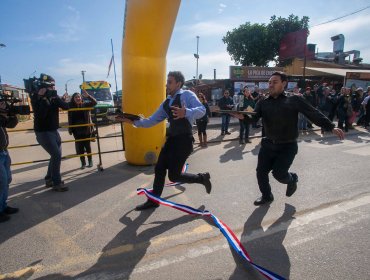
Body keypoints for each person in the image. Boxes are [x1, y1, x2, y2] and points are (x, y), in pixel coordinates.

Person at [232, 72, 344, 206]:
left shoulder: (294, 99)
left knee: (279, 174)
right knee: (261, 173)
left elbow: (312, 112)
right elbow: (254, 119)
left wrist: (331, 126)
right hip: (268, 144)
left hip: (287, 146)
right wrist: (242, 117)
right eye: (269, 82)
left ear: (283, 83)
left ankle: (292, 180)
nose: (271, 85)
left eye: (274, 82)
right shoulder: (262, 102)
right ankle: (267, 196)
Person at [116, 71, 212, 211]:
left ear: (178, 83)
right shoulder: (167, 102)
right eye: (167, 81)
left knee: (174, 176)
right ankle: (154, 200)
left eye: (170, 82)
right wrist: (130, 120)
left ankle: (201, 178)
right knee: (159, 168)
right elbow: (150, 121)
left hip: (184, 141)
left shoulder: (187, 95)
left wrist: (186, 112)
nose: (166, 84)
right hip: (172, 140)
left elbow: (202, 110)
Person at [31, 74, 69, 192]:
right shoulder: (35, 97)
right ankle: (56, 183)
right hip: (43, 132)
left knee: (55, 155)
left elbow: (66, 106)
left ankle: (49, 178)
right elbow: (41, 115)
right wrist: (42, 98)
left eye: (53, 85)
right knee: (56, 155)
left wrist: (58, 98)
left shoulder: (53, 96)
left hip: (54, 130)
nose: (53, 87)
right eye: (51, 85)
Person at [0, 98, 19, 223]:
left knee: (7, 180)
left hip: (4, 151)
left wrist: (11, 112)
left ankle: (3, 206)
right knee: (1, 181)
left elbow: (11, 124)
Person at [68, 90, 97, 169]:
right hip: (76, 131)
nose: (78, 98)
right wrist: (70, 129)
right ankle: (83, 163)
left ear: (81, 98)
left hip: (86, 129)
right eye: (76, 97)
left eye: (79, 97)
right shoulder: (70, 106)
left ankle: (90, 161)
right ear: (73, 99)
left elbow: (95, 102)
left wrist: (88, 96)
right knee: (80, 147)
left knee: (88, 146)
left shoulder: (85, 105)